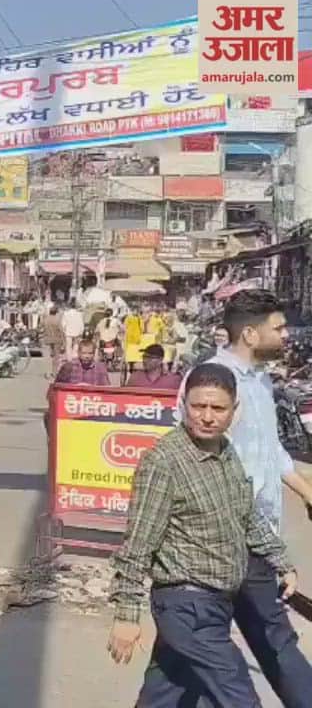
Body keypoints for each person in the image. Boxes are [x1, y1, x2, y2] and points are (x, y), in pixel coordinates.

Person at [109, 364, 298, 707]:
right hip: (186, 606)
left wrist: (281, 560)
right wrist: (126, 615)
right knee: (237, 695)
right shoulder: (163, 462)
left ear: (233, 411)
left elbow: (247, 517)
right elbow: (137, 545)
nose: (207, 417)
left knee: (165, 694)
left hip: (217, 604)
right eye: (199, 407)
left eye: (218, 409)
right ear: (184, 404)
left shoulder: (226, 453)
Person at [194, 290, 312, 705]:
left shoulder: (260, 380)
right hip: (229, 535)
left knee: (191, 648)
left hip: (257, 533)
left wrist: (305, 490)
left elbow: (271, 451)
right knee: (272, 639)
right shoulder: (211, 383)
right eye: (277, 328)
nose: (285, 335)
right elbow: (197, 459)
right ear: (249, 333)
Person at [41, 305, 66, 373]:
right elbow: (61, 331)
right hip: (57, 339)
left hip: (47, 338)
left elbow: (40, 328)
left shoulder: (45, 319)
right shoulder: (57, 320)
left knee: (48, 356)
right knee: (56, 356)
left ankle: (48, 372)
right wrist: (64, 341)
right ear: (56, 312)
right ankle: (54, 371)